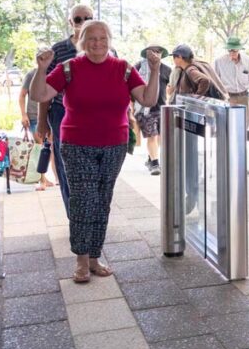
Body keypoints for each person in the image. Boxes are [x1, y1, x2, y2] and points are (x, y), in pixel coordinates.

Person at [30, 20, 161, 283]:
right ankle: (80, 259)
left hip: (114, 144)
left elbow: (147, 99)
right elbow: (40, 94)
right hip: (77, 144)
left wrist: (155, 70)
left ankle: (94, 257)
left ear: (110, 41)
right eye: (91, 38)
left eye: (102, 38)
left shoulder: (123, 69)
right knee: (82, 199)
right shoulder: (69, 68)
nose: (97, 43)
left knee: (102, 199)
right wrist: (41, 68)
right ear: (82, 41)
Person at [37, 3, 94, 215]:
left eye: (88, 18)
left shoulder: (102, 46)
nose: (83, 22)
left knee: (93, 160)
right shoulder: (59, 49)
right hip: (62, 112)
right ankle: (73, 213)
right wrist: (42, 122)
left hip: (93, 115)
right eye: (78, 19)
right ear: (71, 23)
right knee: (64, 162)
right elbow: (45, 88)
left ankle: (90, 210)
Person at [133, 45, 171, 176]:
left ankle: (151, 157)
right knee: (152, 136)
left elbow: (169, 88)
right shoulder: (138, 67)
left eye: (158, 51)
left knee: (160, 136)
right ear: (146, 54)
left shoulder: (166, 69)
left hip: (161, 108)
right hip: (145, 109)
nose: (155, 54)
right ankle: (155, 163)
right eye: (152, 51)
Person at [214, 37, 249, 129]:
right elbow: (214, 82)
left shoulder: (248, 62)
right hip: (227, 98)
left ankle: (242, 143)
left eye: (234, 50)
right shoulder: (219, 62)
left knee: (243, 128)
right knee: (228, 128)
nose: (232, 53)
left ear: (239, 49)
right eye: (229, 50)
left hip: (244, 98)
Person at [19, 67, 54, 190]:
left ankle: (47, 177)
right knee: (40, 148)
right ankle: (42, 180)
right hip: (34, 116)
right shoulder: (31, 74)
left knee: (50, 147)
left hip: (51, 115)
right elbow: (22, 95)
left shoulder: (55, 71)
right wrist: (24, 115)